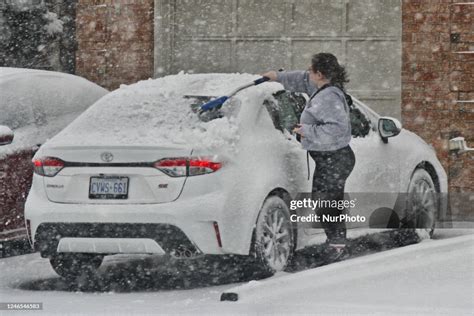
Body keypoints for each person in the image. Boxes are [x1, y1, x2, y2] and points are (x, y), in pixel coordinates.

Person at [263, 52, 355, 262]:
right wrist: (275, 77)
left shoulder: (329, 98)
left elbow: (338, 130)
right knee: (326, 202)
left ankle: (338, 246)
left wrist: (306, 131)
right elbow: (301, 79)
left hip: (336, 158)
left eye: (311, 70)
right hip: (330, 158)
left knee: (327, 204)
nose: (308, 73)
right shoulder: (322, 87)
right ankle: (336, 243)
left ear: (321, 74)